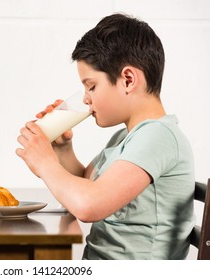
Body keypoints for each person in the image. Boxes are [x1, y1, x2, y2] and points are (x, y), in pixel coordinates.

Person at [16, 13, 195, 259]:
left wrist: (45, 163)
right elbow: (87, 185)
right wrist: (62, 150)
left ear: (128, 80)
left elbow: (88, 205)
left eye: (92, 86)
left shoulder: (158, 137)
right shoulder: (126, 137)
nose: (86, 98)